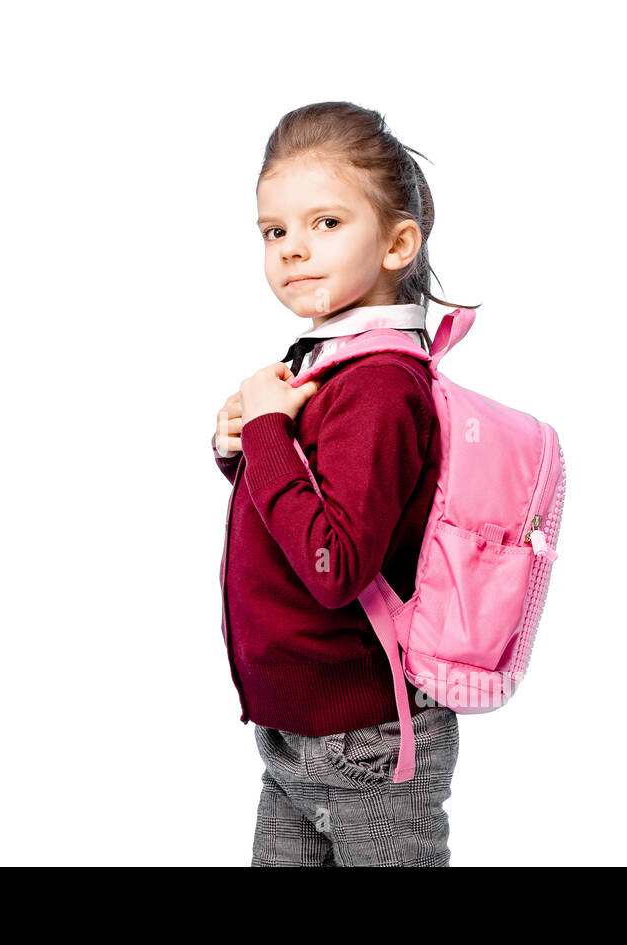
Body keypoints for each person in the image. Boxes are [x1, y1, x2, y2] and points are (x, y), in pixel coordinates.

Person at [211, 101, 478, 866]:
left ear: (397, 243)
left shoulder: (381, 383)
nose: (294, 249)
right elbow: (300, 508)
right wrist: (246, 444)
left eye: (325, 223)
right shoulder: (331, 365)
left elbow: (334, 566)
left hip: (370, 745)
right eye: (275, 231)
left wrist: (268, 432)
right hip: (296, 736)